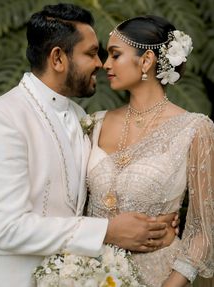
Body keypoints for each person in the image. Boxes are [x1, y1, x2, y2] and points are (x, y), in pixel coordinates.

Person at [0, 4, 179, 287]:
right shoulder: (2, 117)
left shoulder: (81, 117)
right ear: (58, 58)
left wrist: (154, 221)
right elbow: (8, 229)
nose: (100, 63)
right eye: (90, 53)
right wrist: (107, 231)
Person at [86, 15, 214, 287]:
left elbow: (204, 229)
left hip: (159, 276)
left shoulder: (194, 129)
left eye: (115, 55)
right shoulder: (93, 123)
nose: (105, 64)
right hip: (85, 274)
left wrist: (172, 283)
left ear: (146, 61)